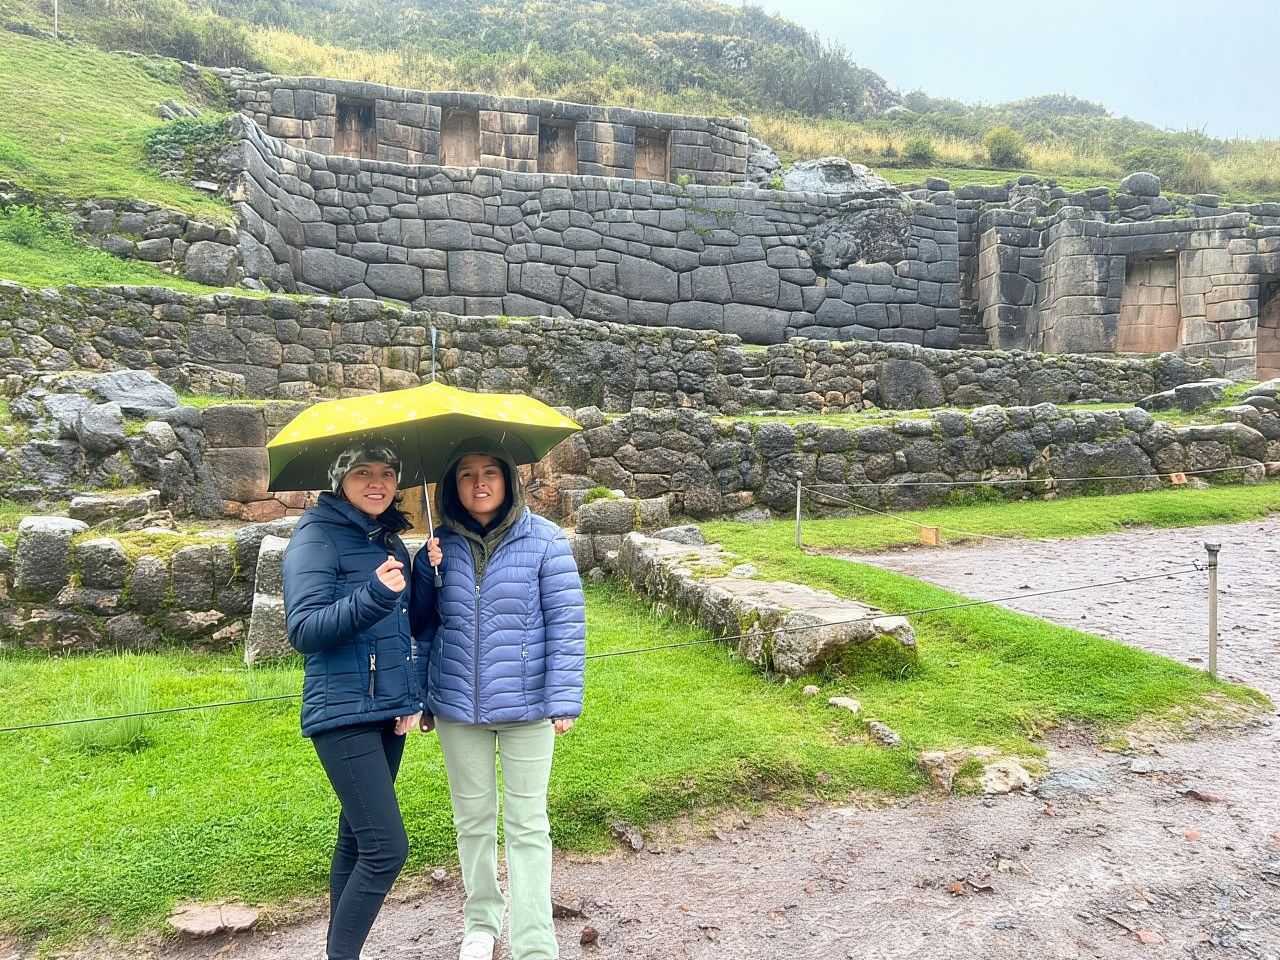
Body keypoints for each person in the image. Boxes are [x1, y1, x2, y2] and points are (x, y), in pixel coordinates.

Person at [411, 437, 586, 960]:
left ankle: (534, 943)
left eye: (490, 472)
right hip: (457, 707)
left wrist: (563, 698)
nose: (479, 483)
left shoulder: (547, 542)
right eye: (466, 474)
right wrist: (423, 696)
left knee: (528, 825)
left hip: (528, 706)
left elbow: (567, 625)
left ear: (509, 479)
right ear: (451, 485)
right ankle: (481, 922)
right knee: (473, 822)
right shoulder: (438, 549)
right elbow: (423, 630)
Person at [282, 440, 425, 960]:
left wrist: (424, 573)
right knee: (387, 849)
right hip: (343, 712)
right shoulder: (316, 536)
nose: (377, 483)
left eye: (388, 473)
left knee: (358, 841)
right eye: (363, 472)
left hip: (385, 711)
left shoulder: (389, 541)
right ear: (340, 478)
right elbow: (304, 629)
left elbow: (400, 629)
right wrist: (373, 595)